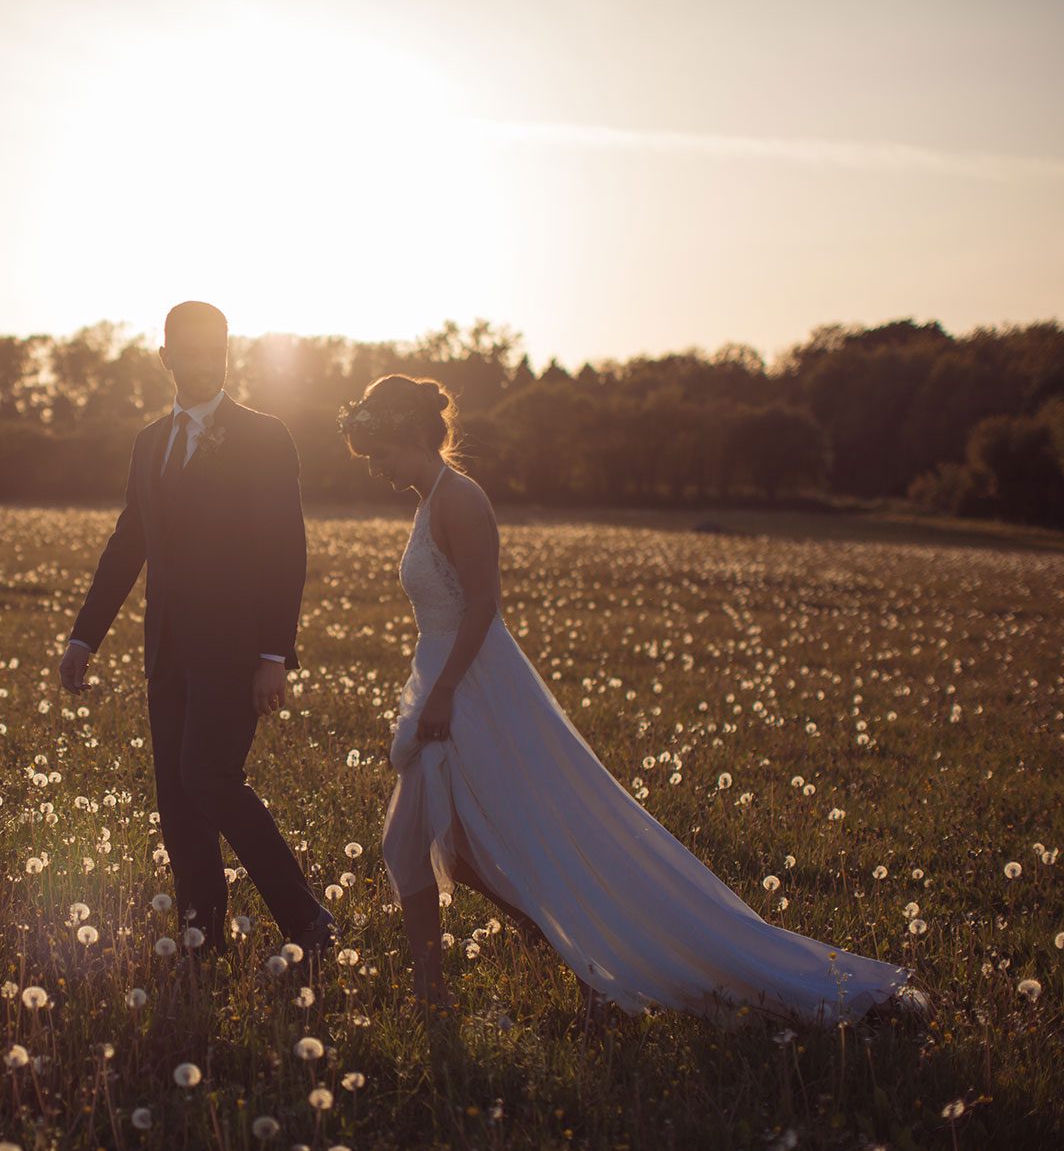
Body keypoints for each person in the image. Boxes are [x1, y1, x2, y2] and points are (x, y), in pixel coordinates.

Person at [340, 373, 931, 1028]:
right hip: (442, 680)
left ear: (416, 437)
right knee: (445, 844)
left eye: (384, 456)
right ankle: (551, 958)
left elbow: (485, 605)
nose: (381, 473)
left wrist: (446, 692)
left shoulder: (460, 500)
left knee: (469, 839)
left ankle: (499, 981)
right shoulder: (429, 501)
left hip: (471, 686)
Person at [58, 300, 335, 965]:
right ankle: (200, 935)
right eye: (192, 349)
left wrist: (275, 653)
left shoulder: (265, 437)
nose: (207, 360)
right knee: (177, 799)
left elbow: (285, 550)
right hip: (167, 651)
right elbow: (129, 543)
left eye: (217, 348)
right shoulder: (150, 441)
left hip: (237, 652)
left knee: (209, 777)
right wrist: (84, 636)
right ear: (166, 358)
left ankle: (308, 918)